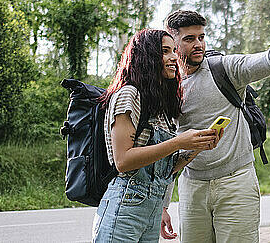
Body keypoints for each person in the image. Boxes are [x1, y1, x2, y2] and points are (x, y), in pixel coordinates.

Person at [161, 10, 270, 242]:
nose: (199, 44)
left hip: (236, 183)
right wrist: (164, 204)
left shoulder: (224, 69)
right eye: (189, 39)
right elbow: (165, 148)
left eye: (202, 37)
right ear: (171, 41)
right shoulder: (166, 86)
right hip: (191, 186)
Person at [92, 29, 221, 243]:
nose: (173, 57)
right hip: (125, 204)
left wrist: (198, 146)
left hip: (152, 207)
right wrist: (178, 141)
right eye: (165, 51)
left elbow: (165, 169)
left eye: (173, 51)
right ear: (147, 57)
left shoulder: (160, 106)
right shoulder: (128, 94)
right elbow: (123, 161)